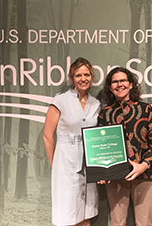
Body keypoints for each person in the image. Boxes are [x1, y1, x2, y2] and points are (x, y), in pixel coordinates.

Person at [97, 67, 152, 226]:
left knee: (144, 223)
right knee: (117, 223)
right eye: (115, 82)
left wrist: (143, 165)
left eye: (123, 80)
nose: (119, 84)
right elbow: (101, 147)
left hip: (145, 174)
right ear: (110, 87)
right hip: (116, 176)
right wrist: (101, 170)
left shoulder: (145, 109)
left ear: (131, 84)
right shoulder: (105, 113)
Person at [43, 57, 100, 226]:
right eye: (78, 75)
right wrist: (56, 165)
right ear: (72, 78)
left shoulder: (96, 104)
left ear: (92, 76)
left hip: (89, 164)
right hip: (65, 164)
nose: (83, 79)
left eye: (87, 74)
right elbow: (47, 136)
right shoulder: (60, 101)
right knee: (67, 215)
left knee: (85, 214)